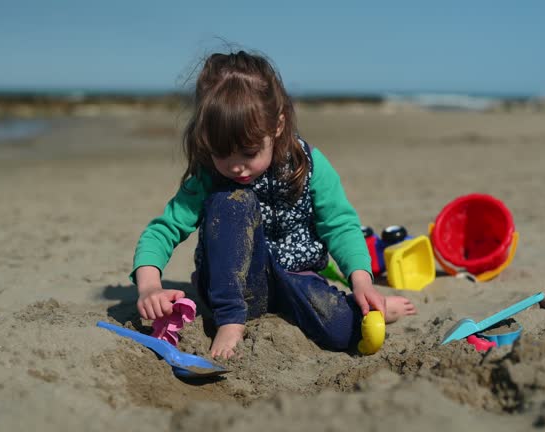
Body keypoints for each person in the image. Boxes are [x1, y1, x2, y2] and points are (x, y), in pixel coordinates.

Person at [130, 50, 416, 359]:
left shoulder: (310, 165)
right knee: (231, 201)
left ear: (277, 126)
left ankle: (369, 307)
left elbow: (340, 225)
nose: (237, 167)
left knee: (343, 331)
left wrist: (361, 280)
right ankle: (231, 321)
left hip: (298, 280)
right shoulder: (208, 175)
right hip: (234, 287)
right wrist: (149, 287)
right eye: (221, 153)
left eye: (249, 152)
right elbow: (163, 230)